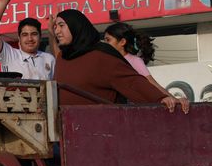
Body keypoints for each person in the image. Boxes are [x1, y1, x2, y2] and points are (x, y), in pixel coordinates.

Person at [51, 9, 181, 111]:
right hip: (68, 134)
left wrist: (161, 98)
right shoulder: (62, 58)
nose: (57, 31)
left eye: (61, 25)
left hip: (100, 133)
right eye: (55, 26)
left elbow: (132, 82)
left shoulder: (100, 55)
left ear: (76, 26)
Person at [102, 23, 188, 111]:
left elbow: (151, 83)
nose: (105, 44)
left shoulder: (134, 61)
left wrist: (174, 99)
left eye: (108, 40)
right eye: (104, 40)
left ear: (122, 42)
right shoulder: (108, 61)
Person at [0, 0, 55, 80]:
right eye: (25, 34)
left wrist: (52, 31)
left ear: (40, 36)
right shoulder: (9, 55)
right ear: (19, 38)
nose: (30, 39)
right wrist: (4, 1)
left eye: (34, 34)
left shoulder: (49, 59)